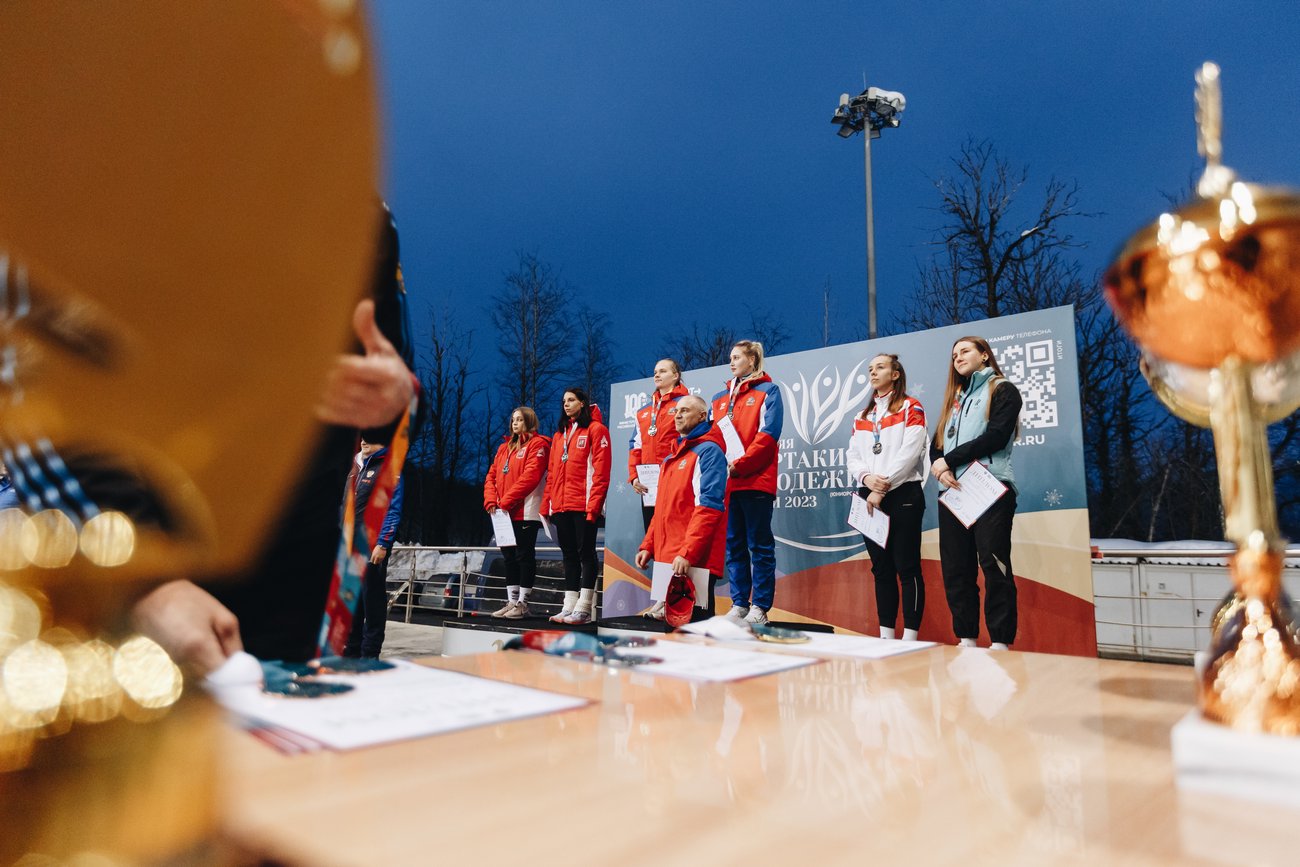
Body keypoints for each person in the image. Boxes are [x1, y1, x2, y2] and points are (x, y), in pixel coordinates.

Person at [929, 336, 1023, 650]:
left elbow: (996, 436)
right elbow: (937, 445)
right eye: (954, 353)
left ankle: (1000, 641)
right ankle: (966, 637)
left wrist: (949, 461)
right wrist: (941, 468)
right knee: (956, 568)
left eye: (965, 350)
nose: (958, 357)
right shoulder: (953, 400)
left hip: (990, 488)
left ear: (984, 355)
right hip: (953, 493)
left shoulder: (1002, 389)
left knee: (993, 564)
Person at [845, 354, 928, 640]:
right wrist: (866, 479)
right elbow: (853, 455)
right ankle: (886, 637)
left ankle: (910, 638)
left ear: (895, 374)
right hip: (869, 495)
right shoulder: (861, 416)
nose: (873, 372)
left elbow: (911, 452)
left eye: (880, 367)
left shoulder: (911, 406)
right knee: (881, 569)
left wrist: (882, 487)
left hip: (902, 492)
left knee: (907, 566)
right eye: (870, 369)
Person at [634, 395, 727, 625]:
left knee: (697, 633)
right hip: (669, 562)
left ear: (702, 416)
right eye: (676, 411)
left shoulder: (709, 452)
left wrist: (688, 553)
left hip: (695, 561)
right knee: (671, 639)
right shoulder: (669, 459)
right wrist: (648, 545)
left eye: (685, 410)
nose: (677, 415)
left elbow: (708, 508)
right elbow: (661, 511)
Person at [709, 340, 783, 626]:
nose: (731, 362)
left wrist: (740, 464)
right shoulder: (719, 398)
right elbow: (712, 438)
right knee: (733, 545)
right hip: (728, 484)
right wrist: (719, 468)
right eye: (730, 357)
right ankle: (739, 602)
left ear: (752, 360)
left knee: (759, 545)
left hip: (755, 480)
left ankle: (760, 606)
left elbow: (768, 435)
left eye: (737, 357)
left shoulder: (768, 391)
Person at [541, 387, 611, 625]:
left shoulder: (596, 430)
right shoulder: (559, 435)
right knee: (569, 556)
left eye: (571, 400)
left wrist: (595, 506)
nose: (566, 404)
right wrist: (547, 505)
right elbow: (552, 474)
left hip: (584, 505)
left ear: (582, 403)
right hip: (561, 505)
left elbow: (601, 473)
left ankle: (584, 608)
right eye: (564, 401)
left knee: (586, 555)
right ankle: (568, 606)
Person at [628, 358, 689, 619]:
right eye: (654, 371)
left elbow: (689, 440)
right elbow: (635, 446)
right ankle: (662, 598)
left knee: (674, 541)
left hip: (675, 481)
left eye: (663, 371)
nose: (657, 374)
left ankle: (675, 600)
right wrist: (633, 476)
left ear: (676, 375)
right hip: (649, 486)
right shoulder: (644, 411)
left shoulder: (684, 404)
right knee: (655, 542)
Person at [483, 406, 550, 619]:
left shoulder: (538, 444)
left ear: (529, 421)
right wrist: (491, 500)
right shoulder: (504, 448)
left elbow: (530, 476)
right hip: (503, 512)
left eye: (520, 419)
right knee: (509, 557)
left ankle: (523, 603)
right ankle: (512, 601)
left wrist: (506, 501)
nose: (515, 423)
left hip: (525, 511)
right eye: (513, 420)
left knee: (524, 555)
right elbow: (491, 476)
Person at [341, 437, 405, 658]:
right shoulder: (354, 467)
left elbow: (393, 509)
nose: (364, 441)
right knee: (353, 599)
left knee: (372, 600)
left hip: (372, 545)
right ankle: (352, 650)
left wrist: (383, 542)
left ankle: (370, 654)